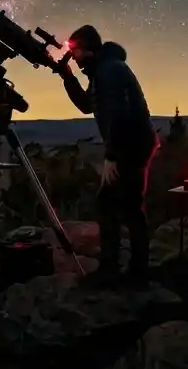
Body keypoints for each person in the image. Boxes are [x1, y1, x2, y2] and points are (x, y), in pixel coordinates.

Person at [57, 25, 159, 287]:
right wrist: (67, 76)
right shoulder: (104, 69)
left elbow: (118, 113)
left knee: (111, 205)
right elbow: (85, 105)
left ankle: (115, 271)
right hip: (134, 143)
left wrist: (112, 155)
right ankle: (135, 271)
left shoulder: (109, 71)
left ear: (88, 49)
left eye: (75, 51)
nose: (74, 57)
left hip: (129, 146)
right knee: (127, 206)